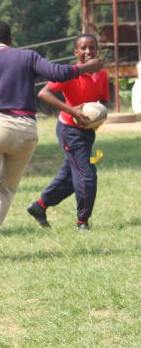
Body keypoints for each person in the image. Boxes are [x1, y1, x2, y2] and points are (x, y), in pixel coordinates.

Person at [0, 20, 104, 263]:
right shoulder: (27, 56)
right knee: (5, 190)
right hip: (26, 130)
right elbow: (57, 73)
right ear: (11, 40)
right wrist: (86, 67)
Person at [26, 34, 109, 231]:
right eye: (83, 48)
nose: (88, 51)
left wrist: (98, 114)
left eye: (92, 47)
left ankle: (39, 207)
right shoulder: (71, 73)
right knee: (87, 176)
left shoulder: (103, 74)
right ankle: (82, 223)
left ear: (97, 50)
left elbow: (104, 100)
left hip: (87, 132)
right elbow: (43, 93)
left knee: (71, 177)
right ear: (76, 52)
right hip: (69, 130)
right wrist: (73, 111)